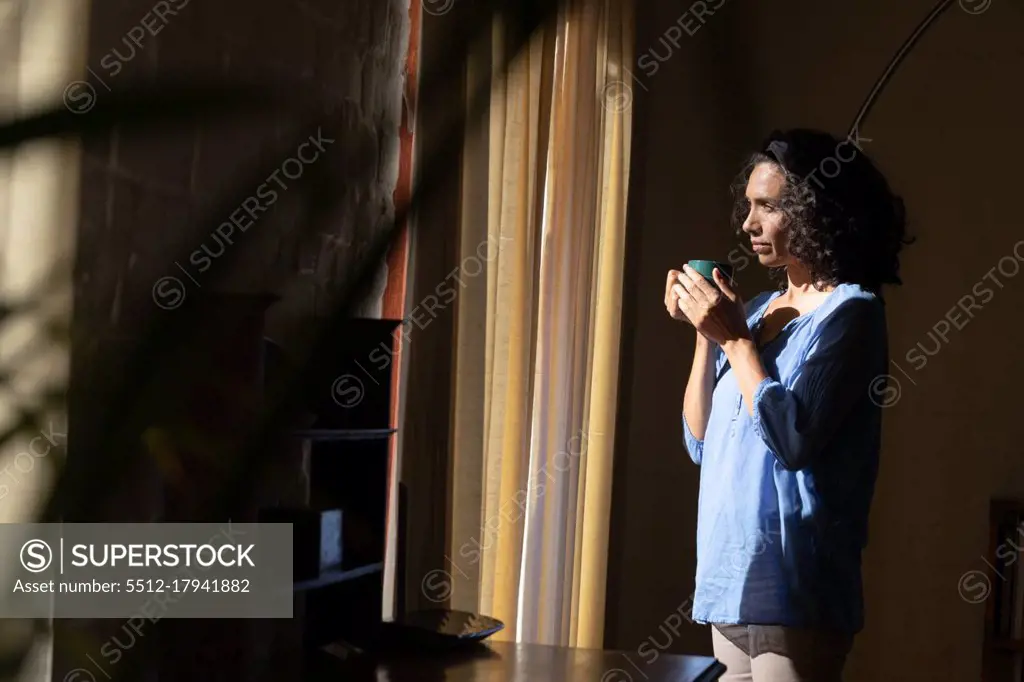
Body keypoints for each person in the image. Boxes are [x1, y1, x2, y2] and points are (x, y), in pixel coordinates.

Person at [663, 129, 911, 682]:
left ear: (814, 212)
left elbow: (794, 440)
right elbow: (701, 443)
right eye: (748, 205)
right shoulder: (754, 310)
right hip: (730, 573)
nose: (747, 223)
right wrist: (706, 336)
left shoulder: (851, 315)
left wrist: (735, 341)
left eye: (767, 206)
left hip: (798, 580)